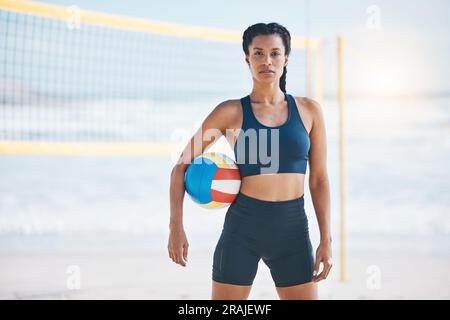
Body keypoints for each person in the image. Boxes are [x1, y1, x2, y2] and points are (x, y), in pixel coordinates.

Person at [168, 22, 332, 300]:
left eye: (274, 53)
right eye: (258, 53)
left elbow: (318, 179)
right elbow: (181, 166)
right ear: (247, 59)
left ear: (286, 58)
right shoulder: (230, 112)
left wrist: (326, 240)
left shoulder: (309, 111)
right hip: (242, 231)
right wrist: (176, 226)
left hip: (293, 231)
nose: (266, 61)